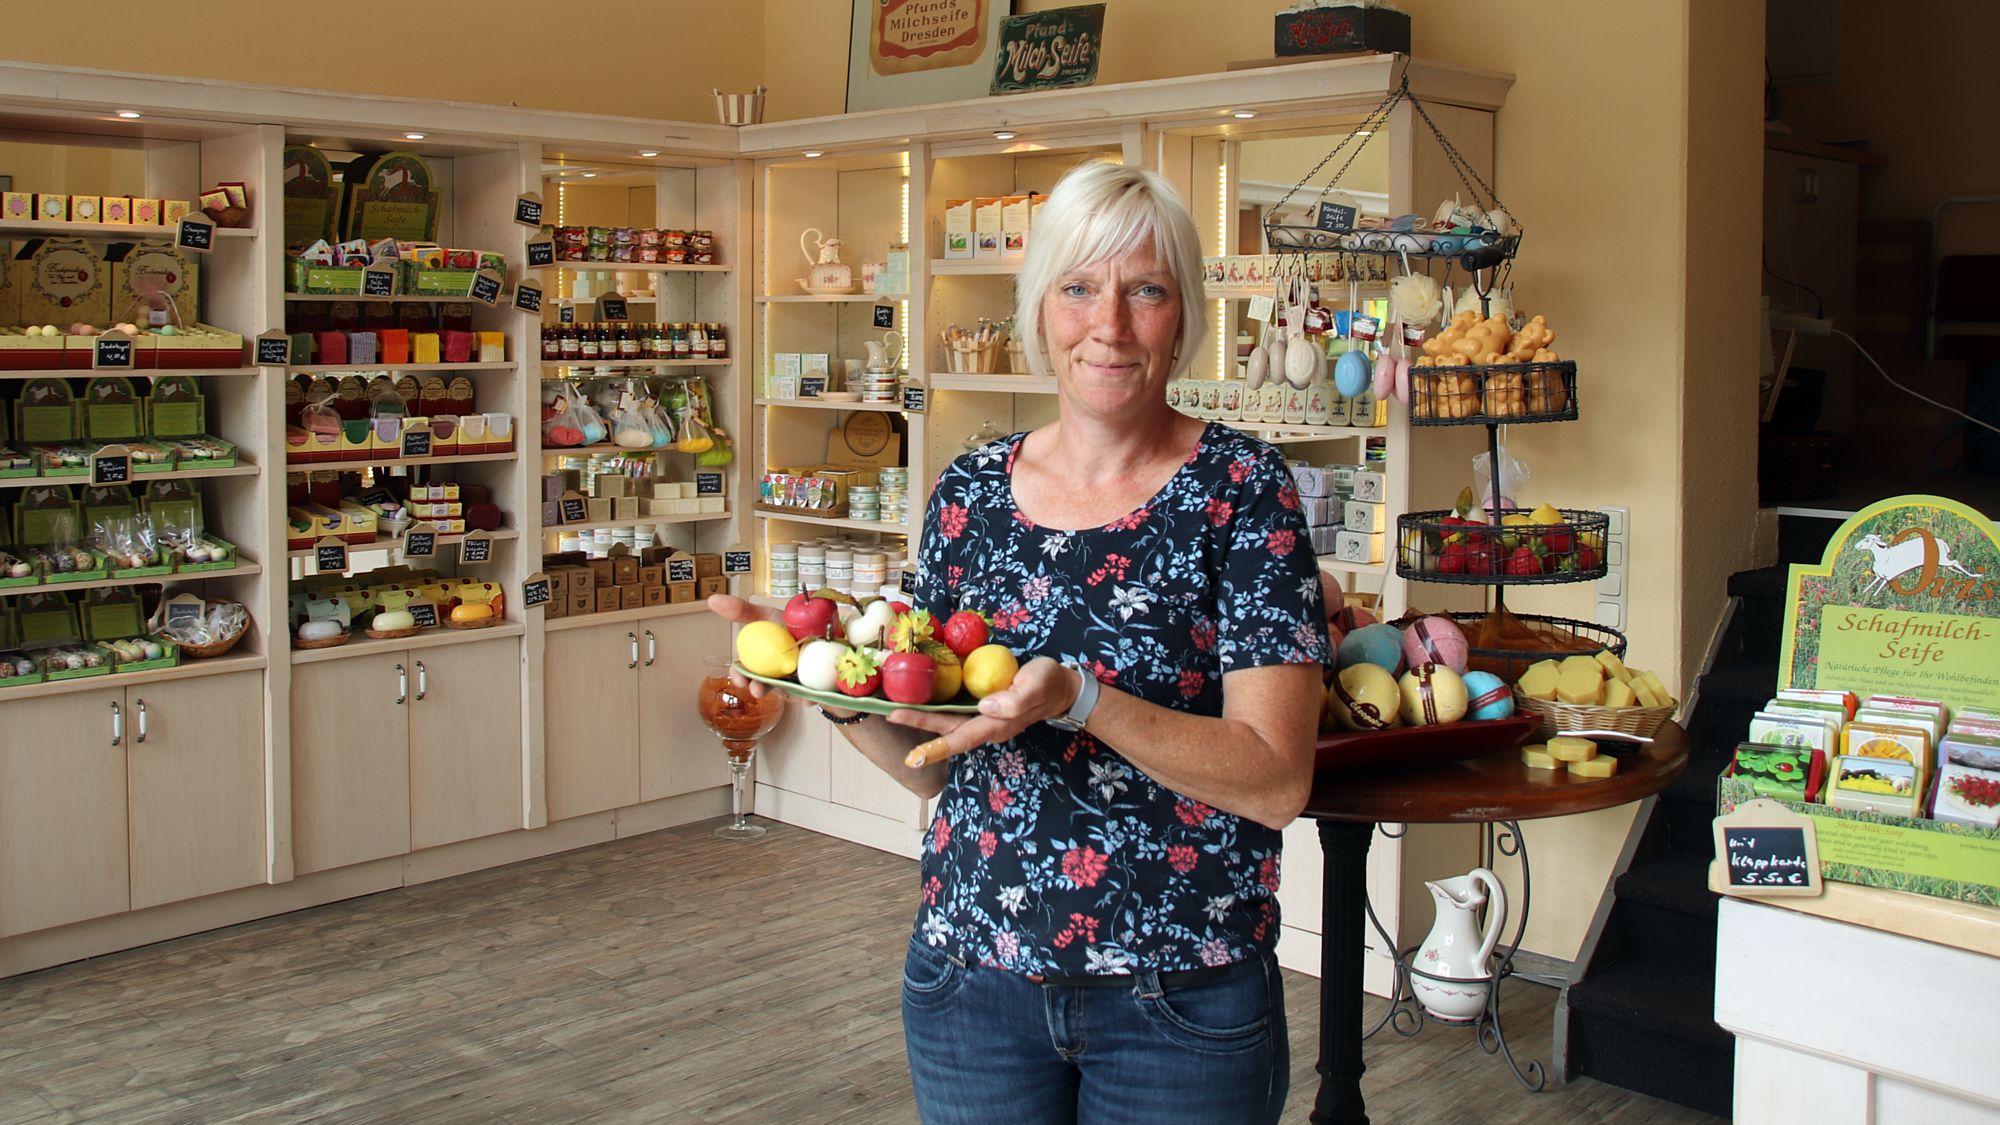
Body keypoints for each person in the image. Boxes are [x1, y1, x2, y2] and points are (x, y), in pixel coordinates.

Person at [710, 160, 1327, 1124]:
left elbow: (1275, 778)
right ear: (1040, 307)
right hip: (971, 980)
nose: (1109, 325)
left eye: (1146, 291)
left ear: (1184, 313)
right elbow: (930, 765)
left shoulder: (1245, 491)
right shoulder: (969, 493)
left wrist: (1082, 697)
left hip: (1177, 992)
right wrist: (823, 679)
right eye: (1079, 288)